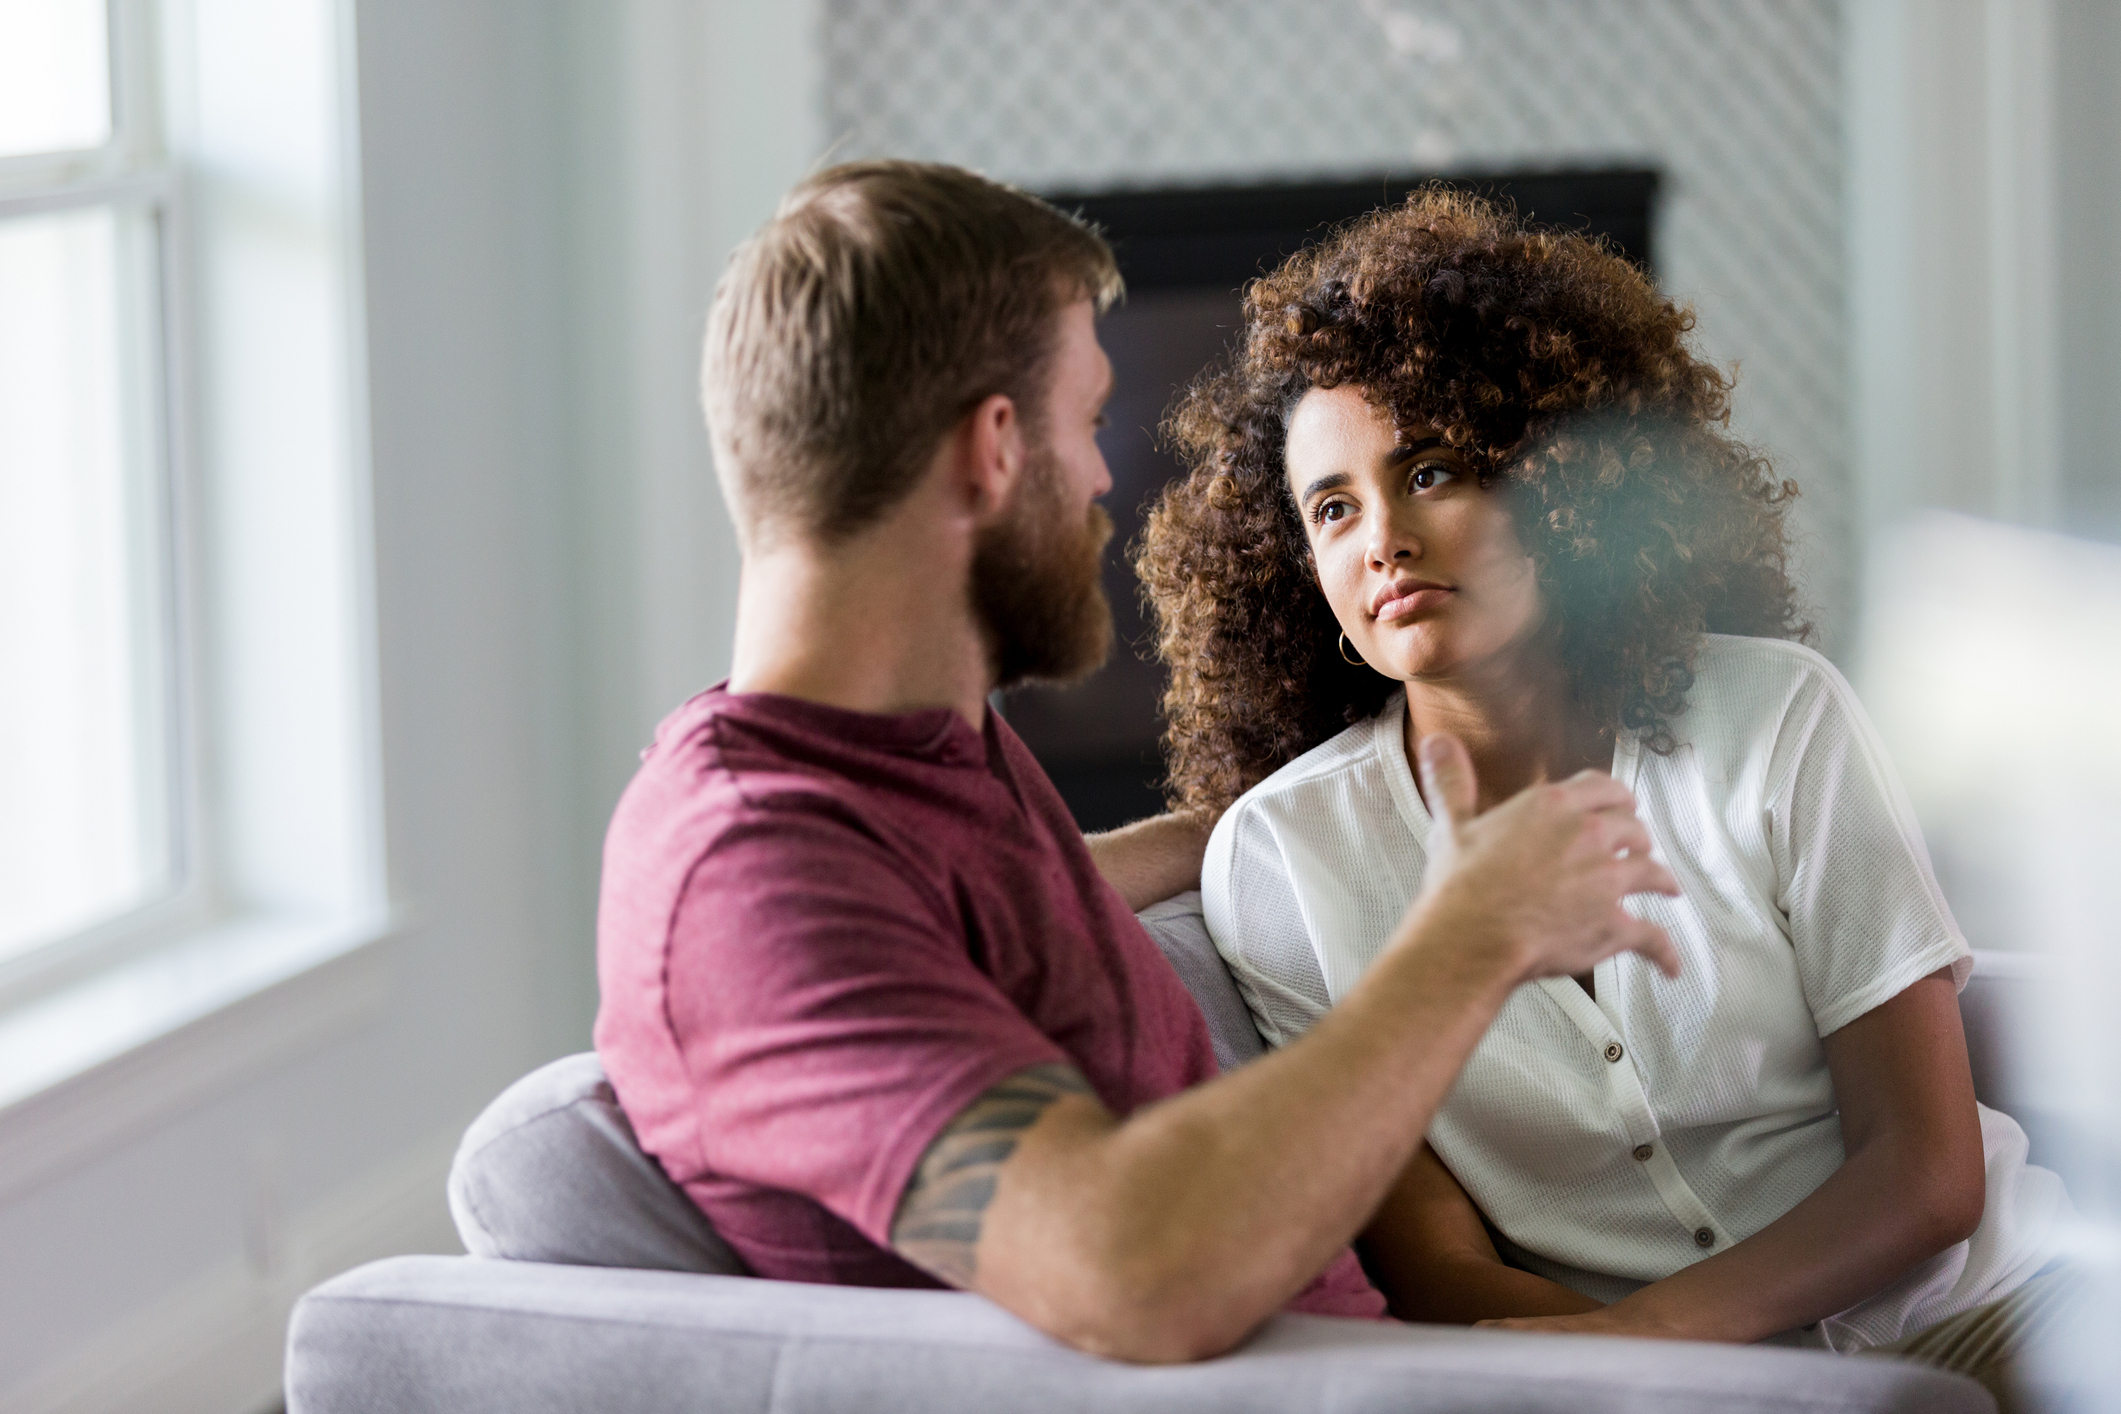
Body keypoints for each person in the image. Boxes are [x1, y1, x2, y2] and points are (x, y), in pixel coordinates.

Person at [592, 161, 1686, 1364]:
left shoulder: (906, 758)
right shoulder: (747, 875)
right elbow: (1127, 1269)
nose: (1110, 478)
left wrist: (1264, 820)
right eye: (1090, 418)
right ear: (996, 447)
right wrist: (1472, 935)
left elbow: (987, 907)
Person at [1137, 187, 2075, 1404]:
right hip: (1625, 1374)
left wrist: (1667, 1337)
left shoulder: (1778, 717)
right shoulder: (1280, 864)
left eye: (1432, 469)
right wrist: (1666, 1375)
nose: (1383, 538)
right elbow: (1433, 1261)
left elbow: (1931, 1174)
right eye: (1333, 507)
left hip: (1988, 1308)